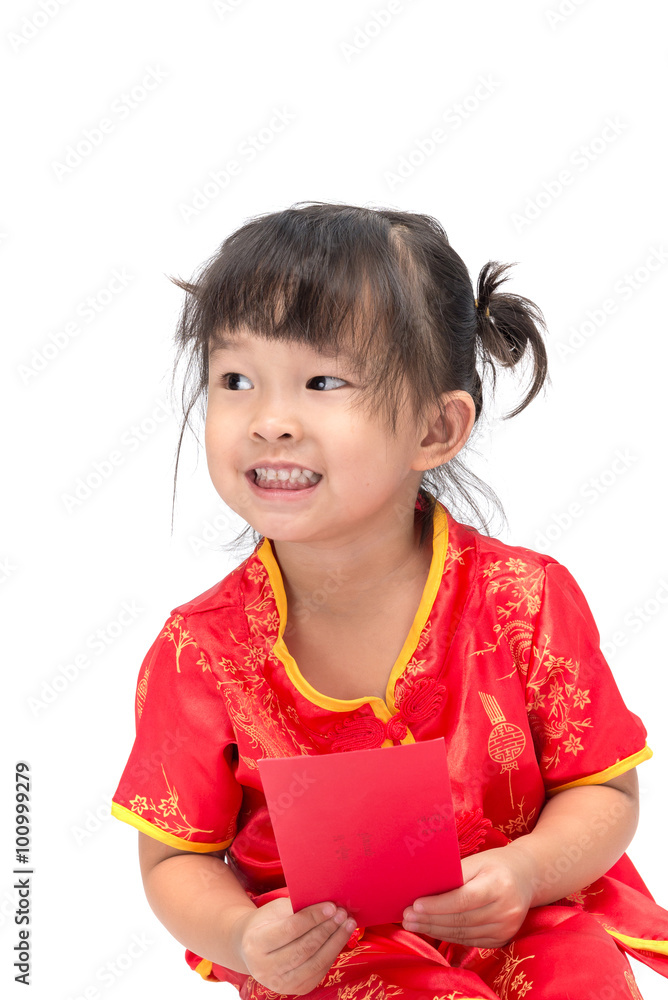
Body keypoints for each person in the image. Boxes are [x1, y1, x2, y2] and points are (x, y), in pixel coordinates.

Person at [111, 202, 668, 998]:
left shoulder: (521, 598)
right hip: (330, 954)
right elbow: (176, 857)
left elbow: (603, 789)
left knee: (578, 972)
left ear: (437, 430)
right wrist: (242, 934)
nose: (269, 421)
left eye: (322, 381)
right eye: (236, 380)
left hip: (518, 917)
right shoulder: (202, 649)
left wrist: (524, 869)